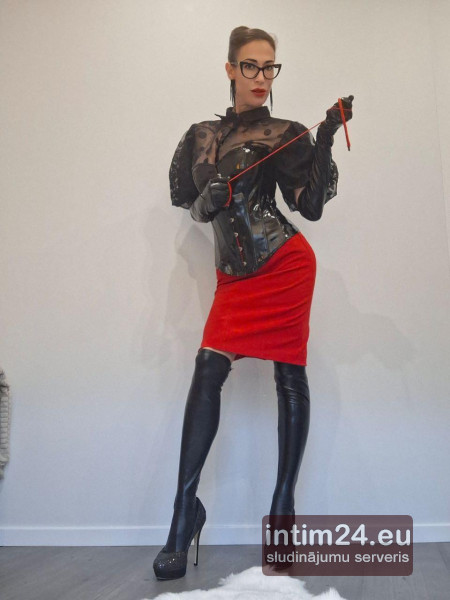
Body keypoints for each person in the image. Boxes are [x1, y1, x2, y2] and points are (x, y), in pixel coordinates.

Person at [153, 25, 353, 580]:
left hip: (285, 265)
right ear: (230, 69)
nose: (261, 77)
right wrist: (207, 200)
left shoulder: (284, 132)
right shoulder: (202, 135)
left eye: (270, 67)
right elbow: (192, 205)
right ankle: (183, 517)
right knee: (207, 370)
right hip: (235, 279)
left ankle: (283, 516)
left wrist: (326, 137)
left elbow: (309, 207)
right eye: (251, 66)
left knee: (290, 376)